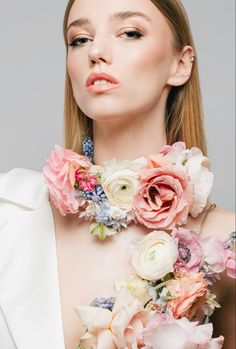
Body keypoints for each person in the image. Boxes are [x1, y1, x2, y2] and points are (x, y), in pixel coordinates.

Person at [0, 1, 235, 349]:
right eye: (79, 39)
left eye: (130, 33)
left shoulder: (222, 245)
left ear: (180, 64)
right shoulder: (8, 210)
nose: (96, 51)